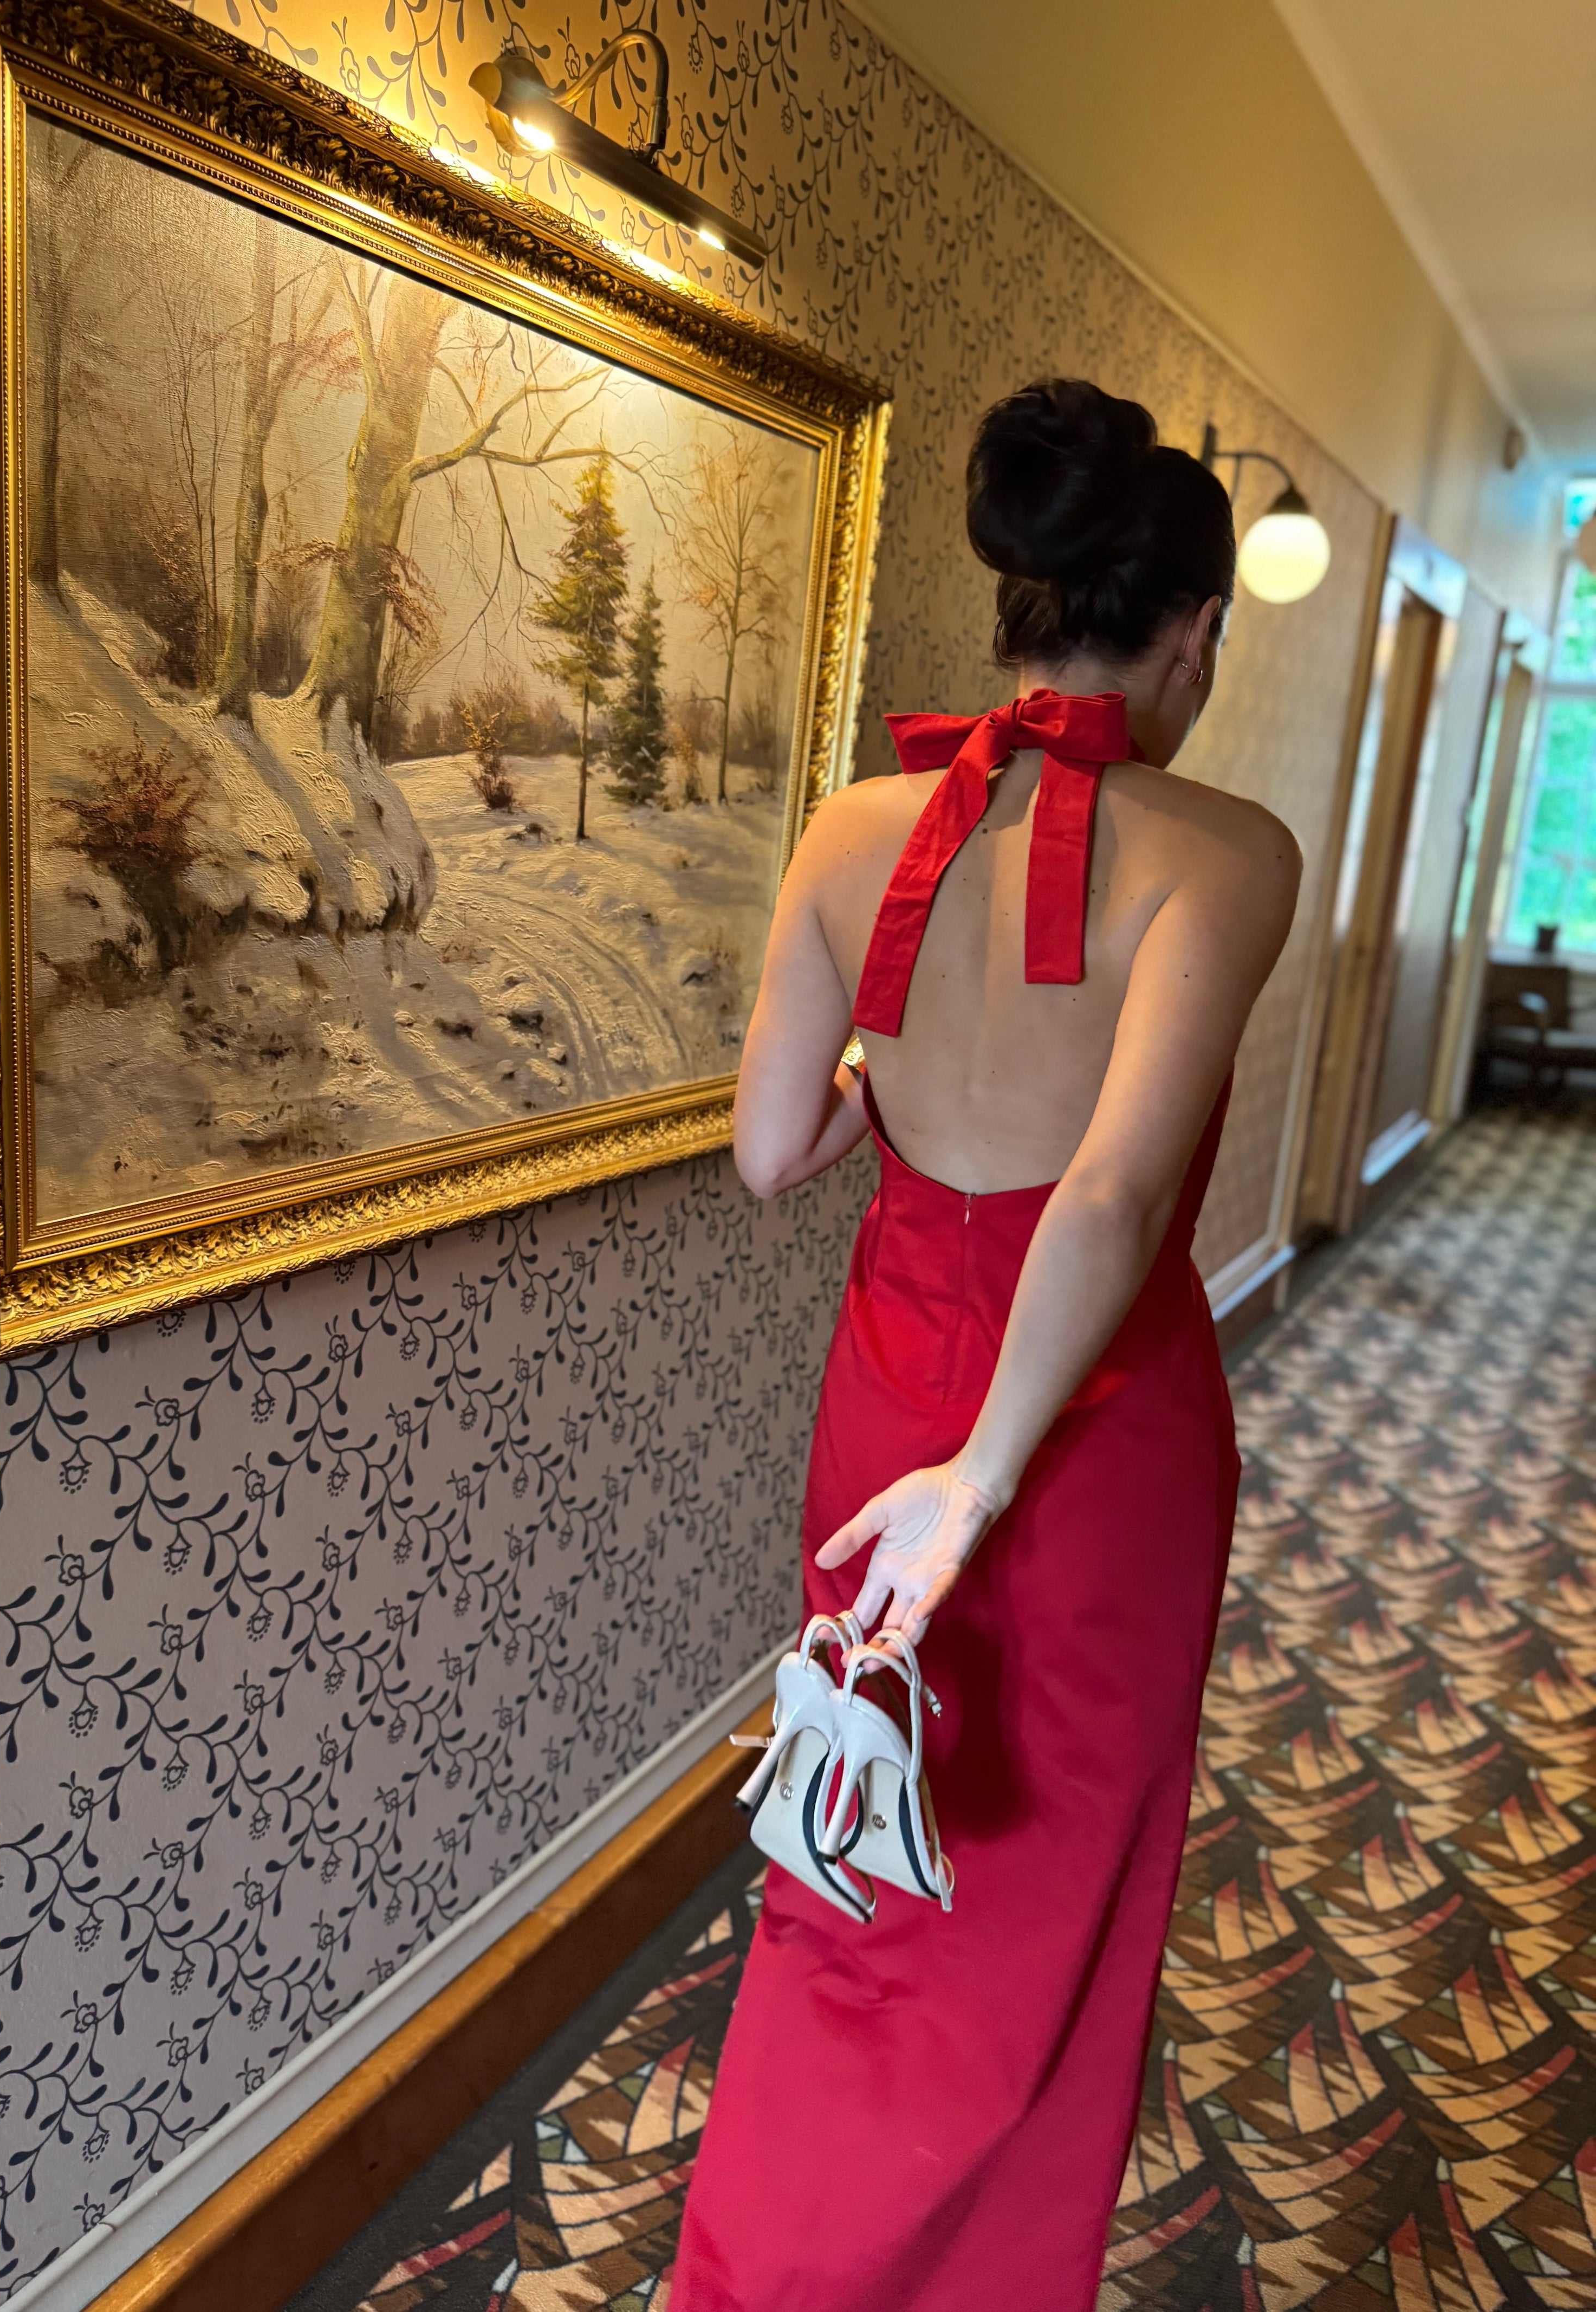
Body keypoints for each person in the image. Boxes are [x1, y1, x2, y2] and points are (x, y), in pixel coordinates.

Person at [669, 378, 1301, 2311]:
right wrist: (995, 1484)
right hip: (1089, 1436)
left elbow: (774, 1151)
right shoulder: (1228, 848)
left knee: (854, 1873)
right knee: (1042, 1919)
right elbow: (1106, 1206)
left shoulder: (859, 822)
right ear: (1193, 633)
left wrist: (883, 1083)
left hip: (887, 1401)